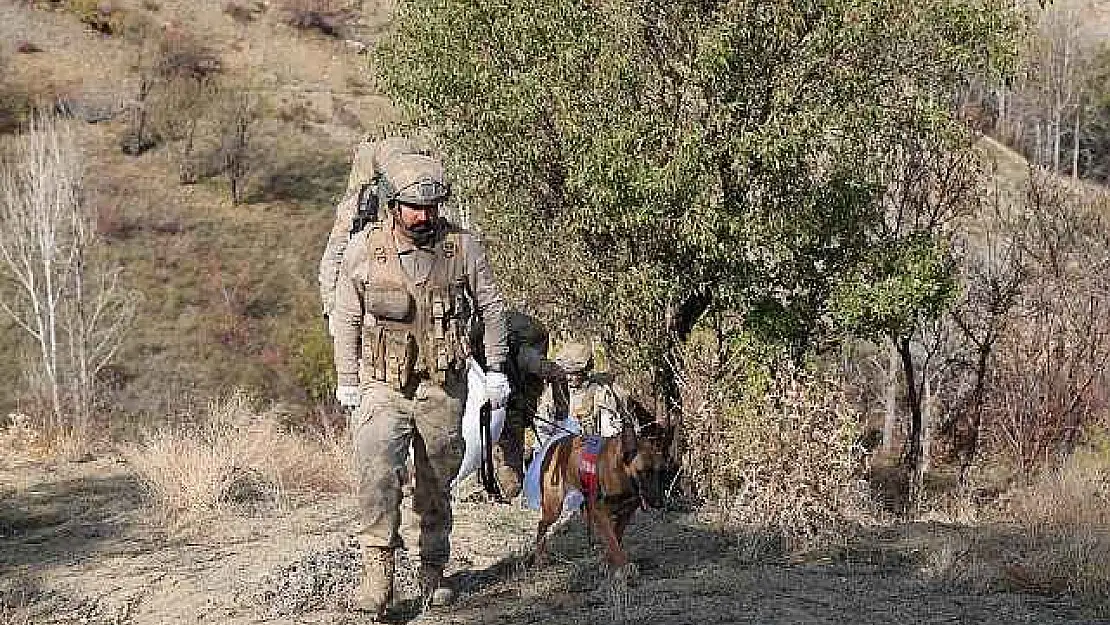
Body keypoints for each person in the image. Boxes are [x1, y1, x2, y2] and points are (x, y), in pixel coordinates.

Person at [330, 147, 510, 618]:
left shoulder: (462, 249)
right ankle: (378, 577)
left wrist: (495, 369)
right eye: (413, 206)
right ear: (393, 205)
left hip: (442, 387)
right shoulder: (366, 249)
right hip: (382, 387)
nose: (422, 215)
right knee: (377, 474)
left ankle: (433, 571)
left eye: (429, 206)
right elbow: (347, 315)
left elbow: (490, 310)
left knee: (435, 482)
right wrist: (348, 378)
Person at [319, 137, 419, 336]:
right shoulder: (361, 204)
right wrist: (333, 311)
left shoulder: (424, 202)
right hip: (372, 311)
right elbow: (333, 258)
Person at [490, 311, 568, 500]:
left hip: (514, 404)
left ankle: (511, 490)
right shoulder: (482, 347)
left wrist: (562, 411)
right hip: (496, 401)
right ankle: (495, 486)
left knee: (509, 446)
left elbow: (556, 373)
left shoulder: (525, 356)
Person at [534, 341, 626, 443]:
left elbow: (608, 432)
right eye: (565, 373)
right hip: (557, 444)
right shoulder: (554, 391)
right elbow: (543, 427)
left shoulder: (600, 393)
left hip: (590, 446)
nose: (568, 378)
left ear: (585, 372)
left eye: (574, 374)